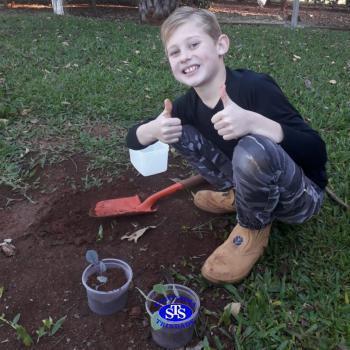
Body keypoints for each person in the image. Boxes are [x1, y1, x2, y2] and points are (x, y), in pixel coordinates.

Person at [126, 6, 328, 284]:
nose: (184, 56)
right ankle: (240, 196)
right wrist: (153, 129)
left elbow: (317, 152)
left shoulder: (255, 87)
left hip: (300, 198)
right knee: (179, 130)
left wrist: (256, 122)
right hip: (254, 182)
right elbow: (133, 139)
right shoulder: (187, 105)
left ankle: (252, 228)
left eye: (194, 44)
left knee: (252, 146)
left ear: (221, 44)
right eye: (175, 52)